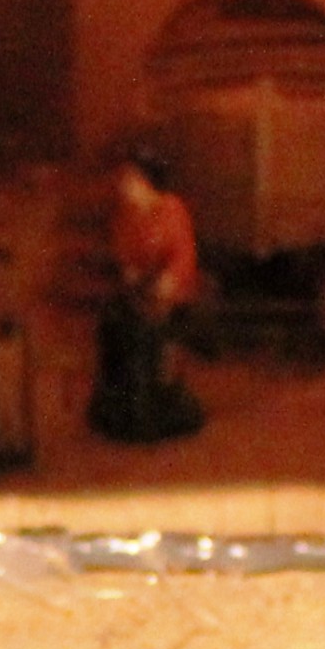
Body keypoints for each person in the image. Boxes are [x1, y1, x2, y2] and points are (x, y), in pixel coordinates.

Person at [89, 156, 208, 442]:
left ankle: (156, 402)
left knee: (152, 332)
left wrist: (167, 283)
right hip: (142, 291)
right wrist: (132, 274)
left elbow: (184, 256)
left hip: (173, 292)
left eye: (131, 180)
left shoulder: (171, 209)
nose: (125, 186)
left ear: (145, 183)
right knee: (114, 324)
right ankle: (121, 400)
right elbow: (125, 258)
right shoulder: (125, 218)